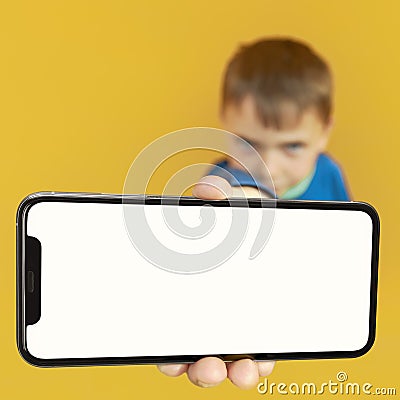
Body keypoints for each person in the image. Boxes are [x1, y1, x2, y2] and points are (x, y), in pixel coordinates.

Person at [157, 36, 351, 389]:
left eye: (292, 145)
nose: (268, 166)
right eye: (248, 144)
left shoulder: (330, 174)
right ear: (224, 123)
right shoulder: (218, 185)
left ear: (324, 133)